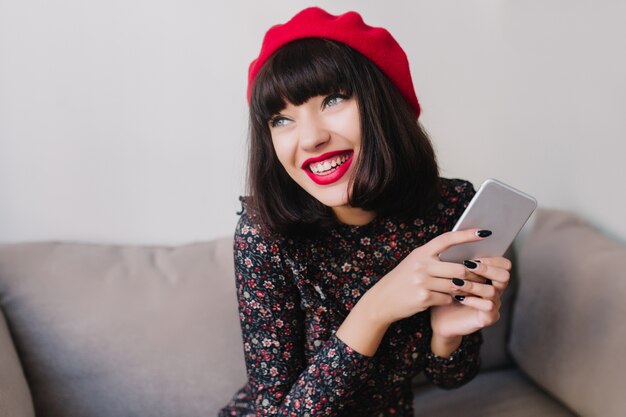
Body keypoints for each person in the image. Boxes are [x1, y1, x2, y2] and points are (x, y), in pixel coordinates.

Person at [219, 7, 510, 416]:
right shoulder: (264, 234)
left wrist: (446, 334)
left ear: (383, 105)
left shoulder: (448, 209)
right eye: (281, 119)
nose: (310, 138)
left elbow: (452, 377)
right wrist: (376, 308)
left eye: (333, 100)